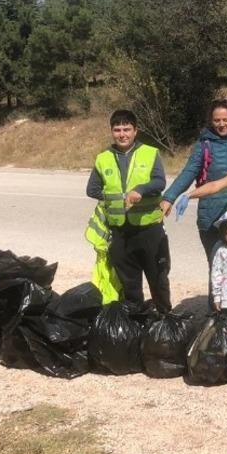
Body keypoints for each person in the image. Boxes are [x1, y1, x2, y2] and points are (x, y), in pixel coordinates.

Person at [86, 109, 171, 312]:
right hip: (120, 231)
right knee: (129, 283)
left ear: (135, 131)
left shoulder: (150, 153)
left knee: (158, 278)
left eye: (126, 129)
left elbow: (159, 182)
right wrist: (115, 198)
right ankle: (135, 319)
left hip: (149, 229)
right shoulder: (103, 158)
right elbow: (92, 189)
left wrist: (140, 190)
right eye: (117, 130)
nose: (122, 134)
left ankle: (165, 318)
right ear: (112, 131)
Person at [160, 99, 227, 293]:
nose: (222, 124)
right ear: (211, 121)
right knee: (217, 267)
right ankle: (215, 308)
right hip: (211, 217)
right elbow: (189, 172)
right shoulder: (204, 146)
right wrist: (169, 197)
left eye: (225, 119)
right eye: (217, 120)